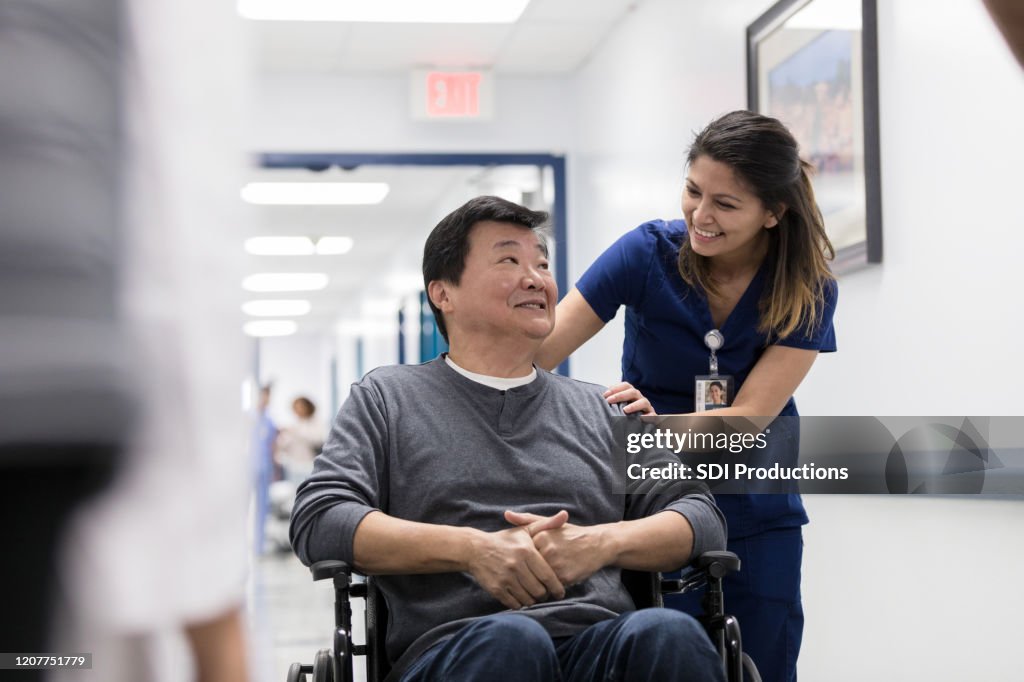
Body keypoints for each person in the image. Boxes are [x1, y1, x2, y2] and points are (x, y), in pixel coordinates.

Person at [290, 196, 728, 682]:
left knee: (670, 634)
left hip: (596, 645)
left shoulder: (606, 409)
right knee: (513, 642)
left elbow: (699, 515)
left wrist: (600, 543)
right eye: (509, 260)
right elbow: (320, 519)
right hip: (455, 652)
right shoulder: (388, 400)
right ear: (443, 294)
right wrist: (473, 550)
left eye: (541, 263)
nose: (536, 278)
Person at [536, 110, 838, 682]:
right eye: (694, 191)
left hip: (757, 505)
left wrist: (645, 430)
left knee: (764, 663)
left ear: (773, 213)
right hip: (653, 502)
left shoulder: (807, 286)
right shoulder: (644, 253)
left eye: (726, 205)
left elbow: (749, 420)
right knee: (659, 658)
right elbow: (537, 356)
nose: (701, 216)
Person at [275, 395, 325, 483]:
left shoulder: (315, 422)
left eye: (300, 407)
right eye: (295, 408)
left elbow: (318, 440)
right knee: (296, 492)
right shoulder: (294, 424)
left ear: (307, 407)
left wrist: (296, 432)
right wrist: (281, 439)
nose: (298, 410)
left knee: (310, 492)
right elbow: (285, 446)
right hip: (294, 466)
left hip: (310, 465)